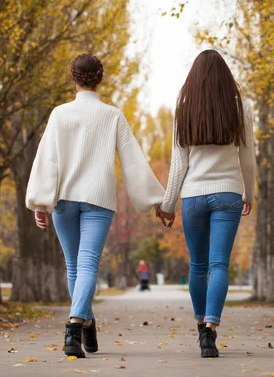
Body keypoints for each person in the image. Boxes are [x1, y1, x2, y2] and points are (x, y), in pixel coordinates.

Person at [26, 54, 164, 358]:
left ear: (73, 78)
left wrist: (40, 202)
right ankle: (79, 322)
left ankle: (81, 323)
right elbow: (134, 162)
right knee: (87, 263)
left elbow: (47, 159)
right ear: (100, 78)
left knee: (74, 265)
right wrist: (156, 200)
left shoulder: (60, 114)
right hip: (99, 199)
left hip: (63, 199)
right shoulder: (112, 115)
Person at [155, 49, 256, 358]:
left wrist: (167, 204)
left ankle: (201, 328)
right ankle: (211, 329)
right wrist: (249, 194)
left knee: (198, 266)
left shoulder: (184, 108)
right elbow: (247, 157)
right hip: (228, 194)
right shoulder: (241, 108)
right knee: (218, 265)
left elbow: (178, 163)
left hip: (194, 196)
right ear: (226, 77)